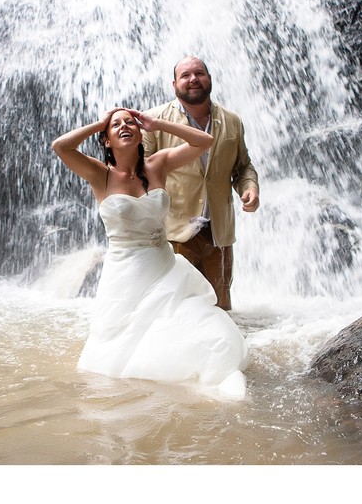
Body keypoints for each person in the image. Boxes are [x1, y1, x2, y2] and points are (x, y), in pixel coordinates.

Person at [51, 107, 249, 400]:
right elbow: (61, 146)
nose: (123, 127)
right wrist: (99, 124)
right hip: (125, 274)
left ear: (141, 132)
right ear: (107, 140)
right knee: (122, 346)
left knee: (199, 326)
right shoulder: (99, 174)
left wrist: (158, 124)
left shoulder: (158, 164)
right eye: (115, 125)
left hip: (164, 266)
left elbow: (204, 142)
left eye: (129, 122)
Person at [142, 56, 260, 311]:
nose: (193, 79)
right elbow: (141, 175)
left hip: (219, 233)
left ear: (209, 78)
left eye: (199, 73)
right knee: (176, 310)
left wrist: (250, 187)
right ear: (174, 84)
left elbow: (243, 167)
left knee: (221, 310)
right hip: (174, 233)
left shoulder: (232, 120)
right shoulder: (154, 121)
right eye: (185, 75)